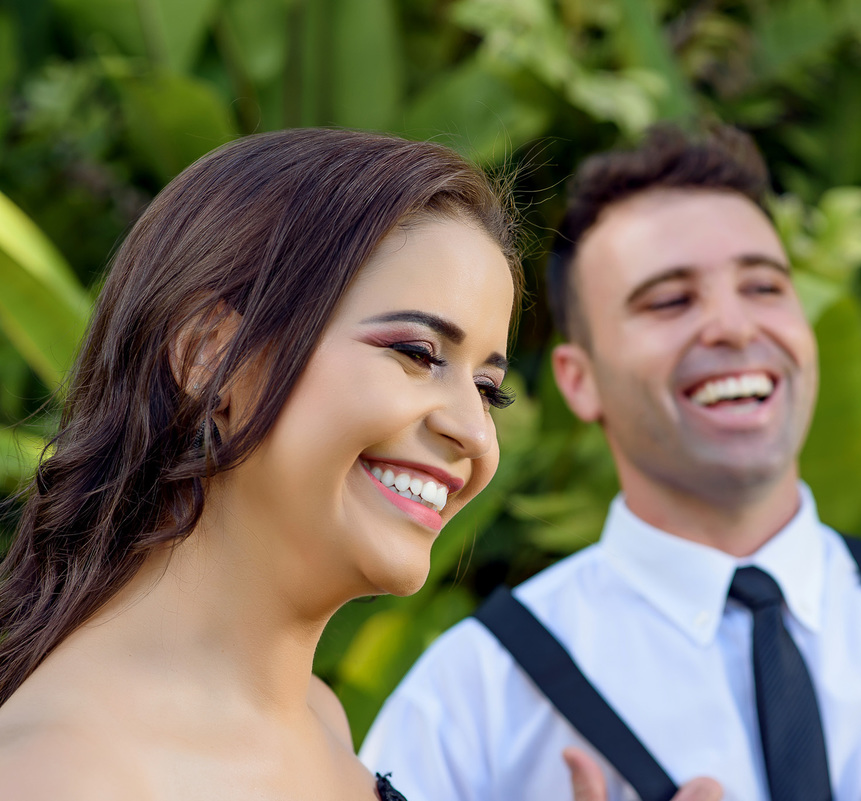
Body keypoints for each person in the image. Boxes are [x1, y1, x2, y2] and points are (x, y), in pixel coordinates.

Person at [361, 125, 861, 801]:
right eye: (669, 300)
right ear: (579, 378)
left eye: (765, 286)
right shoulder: (473, 695)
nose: (734, 325)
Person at [0, 128, 522, 801]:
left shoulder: (317, 716)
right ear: (211, 355)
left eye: (488, 390)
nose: (473, 431)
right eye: (418, 353)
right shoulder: (65, 774)